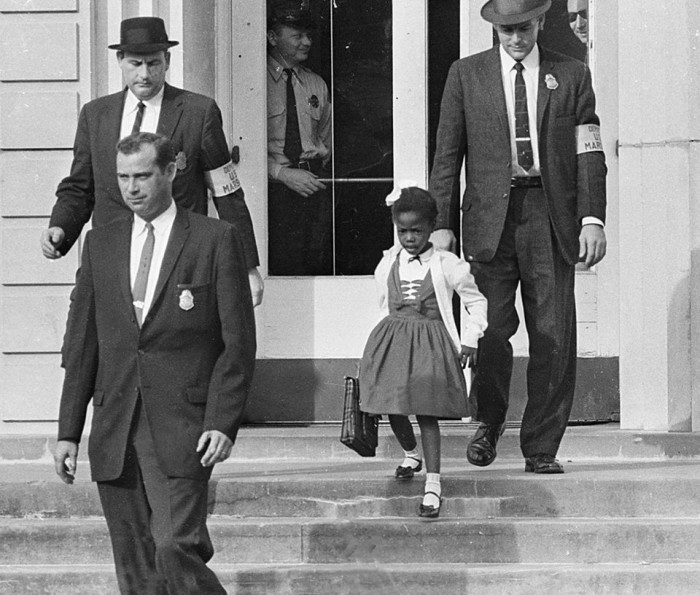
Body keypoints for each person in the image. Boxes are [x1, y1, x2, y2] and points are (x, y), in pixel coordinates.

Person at [53, 133, 256, 594]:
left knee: (174, 546)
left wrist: (223, 422)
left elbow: (237, 344)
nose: (132, 188)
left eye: (143, 175)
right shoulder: (99, 243)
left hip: (185, 425)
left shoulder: (214, 239)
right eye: (123, 177)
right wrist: (68, 431)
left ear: (171, 170)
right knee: (136, 568)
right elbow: (83, 345)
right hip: (115, 423)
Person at [429, 0, 607, 474]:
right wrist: (441, 224)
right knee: (490, 329)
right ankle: (488, 423)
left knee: (553, 332)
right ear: (494, 29)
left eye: (523, 28)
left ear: (541, 22)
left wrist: (592, 218)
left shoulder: (570, 74)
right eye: (505, 30)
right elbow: (447, 155)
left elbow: (589, 151)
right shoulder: (466, 75)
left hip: (550, 216)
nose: (515, 39)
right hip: (490, 221)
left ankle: (542, 445)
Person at [40, 16, 264, 306]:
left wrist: (248, 267)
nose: (144, 74)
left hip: (178, 263)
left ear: (167, 60)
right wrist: (61, 227)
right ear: (120, 60)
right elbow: (80, 187)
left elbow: (227, 193)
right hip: (111, 262)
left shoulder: (198, 113)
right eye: (135, 64)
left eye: (153, 63)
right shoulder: (96, 115)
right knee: (86, 347)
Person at [359, 185, 487, 518]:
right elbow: (382, 303)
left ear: (432, 228)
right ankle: (411, 453)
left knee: (427, 412)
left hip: (430, 344)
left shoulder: (447, 264)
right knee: (392, 406)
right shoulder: (389, 262)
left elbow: (476, 301)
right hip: (393, 342)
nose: (410, 238)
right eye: (403, 231)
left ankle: (433, 483)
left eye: (417, 230)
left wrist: (471, 338)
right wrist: (373, 351)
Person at [267, 2, 333, 275]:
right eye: (297, 35)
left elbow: (326, 141)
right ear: (272, 37)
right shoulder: (255, 82)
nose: (307, 42)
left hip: (311, 187)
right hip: (272, 192)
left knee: (313, 266)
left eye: (308, 35)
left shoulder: (316, 84)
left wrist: (321, 155)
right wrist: (281, 174)